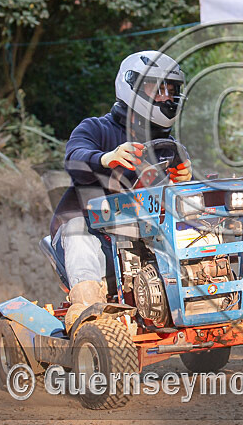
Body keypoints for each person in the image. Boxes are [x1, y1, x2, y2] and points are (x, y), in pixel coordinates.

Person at [50, 51, 191, 330]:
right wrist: (107, 158)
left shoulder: (171, 147)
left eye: (171, 90)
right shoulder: (97, 128)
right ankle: (90, 314)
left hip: (144, 241)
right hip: (91, 234)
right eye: (157, 89)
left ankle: (208, 297)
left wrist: (183, 180)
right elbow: (74, 158)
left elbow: (176, 202)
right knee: (78, 230)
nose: (166, 97)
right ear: (132, 86)